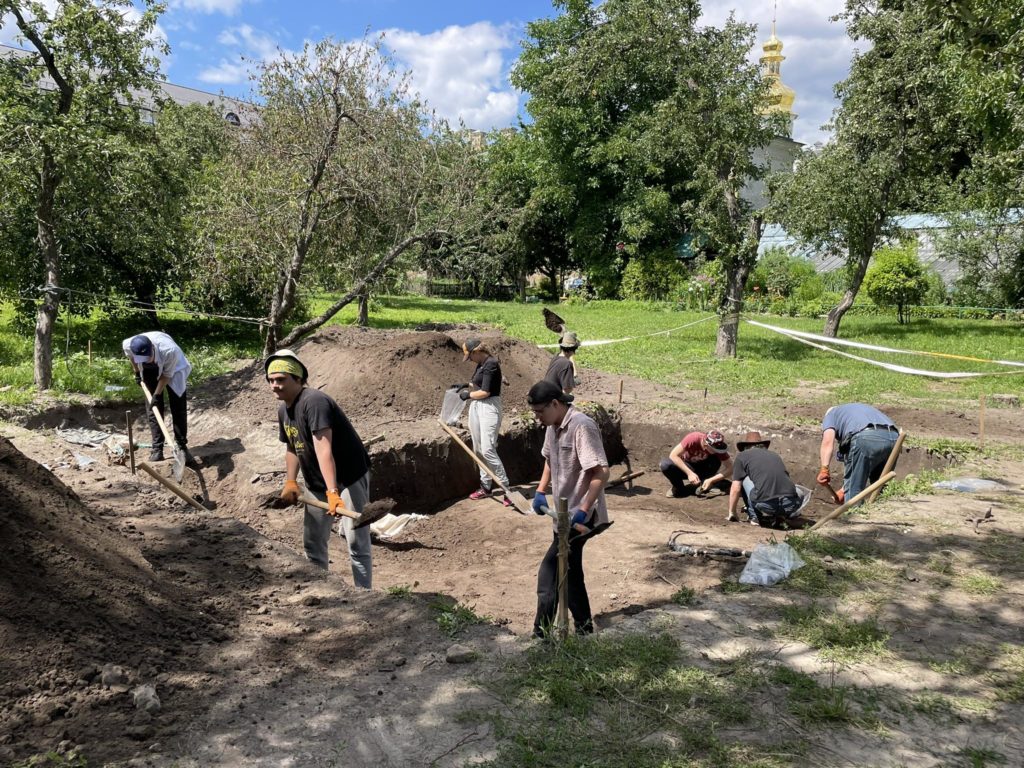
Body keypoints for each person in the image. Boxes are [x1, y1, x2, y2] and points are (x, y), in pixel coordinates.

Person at [266, 349, 373, 588]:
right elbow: (292, 448)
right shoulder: (283, 409)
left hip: (349, 477)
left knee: (357, 542)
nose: (275, 385)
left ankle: (365, 595)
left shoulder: (314, 401)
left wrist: (333, 492)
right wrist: (291, 481)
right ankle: (322, 592)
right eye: (271, 380)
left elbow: (324, 449)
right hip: (317, 481)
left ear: (297, 378)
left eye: (281, 379)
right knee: (313, 544)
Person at [527, 380, 610, 638]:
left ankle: (541, 635)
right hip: (561, 516)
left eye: (540, 411)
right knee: (571, 573)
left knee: (549, 574)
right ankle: (584, 629)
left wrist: (584, 509)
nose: (538, 418)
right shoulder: (552, 426)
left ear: (555, 403)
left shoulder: (581, 427)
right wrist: (541, 492)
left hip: (579, 518)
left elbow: (601, 472)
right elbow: (550, 460)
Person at [122, 331, 192, 463]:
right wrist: (137, 372)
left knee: (178, 404)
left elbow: (166, 375)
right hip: (150, 368)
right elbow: (132, 358)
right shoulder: (127, 345)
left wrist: (156, 393)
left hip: (174, 367)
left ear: (152, 349)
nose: (145, 361)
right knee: (153, 407)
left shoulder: (170, 351)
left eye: (147, 358)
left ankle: (182, 446)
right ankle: (157, 448)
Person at [458, 338, 512, 507]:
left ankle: (506, 488)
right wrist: (465, 385)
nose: (470, 360)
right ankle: (486, 486)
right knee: (478, 448)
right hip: (477, 406)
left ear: (476, 352)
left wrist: (468, 395)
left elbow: (485, 392)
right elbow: (478, 383)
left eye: (470, 356)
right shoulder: (481, 364)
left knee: (488, 448)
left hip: (489, 407)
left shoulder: (491, 363)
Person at [818, 403, 899, 506]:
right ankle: (881, 514)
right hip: (894, 439)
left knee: (854, 491)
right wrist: (843, 491)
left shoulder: (831, 415)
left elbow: (827, 442)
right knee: (880, 486)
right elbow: (857, 470)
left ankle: (853, 518)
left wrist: (824, 469)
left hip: (865, 437)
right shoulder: (856, 412)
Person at [728, 431, 806, 527]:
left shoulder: (742, 456)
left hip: (766, 505)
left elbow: (736, 488)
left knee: (743, 479)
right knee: (798, 490)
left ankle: (755, 517)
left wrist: (732, 512)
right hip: (790, 505)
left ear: (745, 447)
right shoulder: (774, 455)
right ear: (762, 445)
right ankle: (785, 516)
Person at [659, 430, 732, 498]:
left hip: (705, 468)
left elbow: (731, 467)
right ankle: (678, 488)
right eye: (714, 450)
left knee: (715, 459)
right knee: (665, 465)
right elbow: (673, 455)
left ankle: (706, 482)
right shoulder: (693, 439)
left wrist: (711, 480)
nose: (716, 451)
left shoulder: (717, 446)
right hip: (688, 465)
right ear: (705, 445)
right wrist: (689, 473)